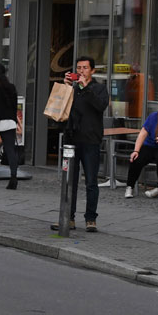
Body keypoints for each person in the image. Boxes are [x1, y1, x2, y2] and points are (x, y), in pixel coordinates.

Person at [54, 55, 109, 233]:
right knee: (70, 180)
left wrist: (86, 88)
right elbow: (60, 107)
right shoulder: (72, 88)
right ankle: (68, 218)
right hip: (71, 139)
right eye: (78, 68)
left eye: (85, 68)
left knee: (91, 181)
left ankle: (91, 219)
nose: (81, 71)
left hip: (91, 140)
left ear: (92, 70)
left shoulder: (99, 88)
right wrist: (66, 87)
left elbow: (100, 107)